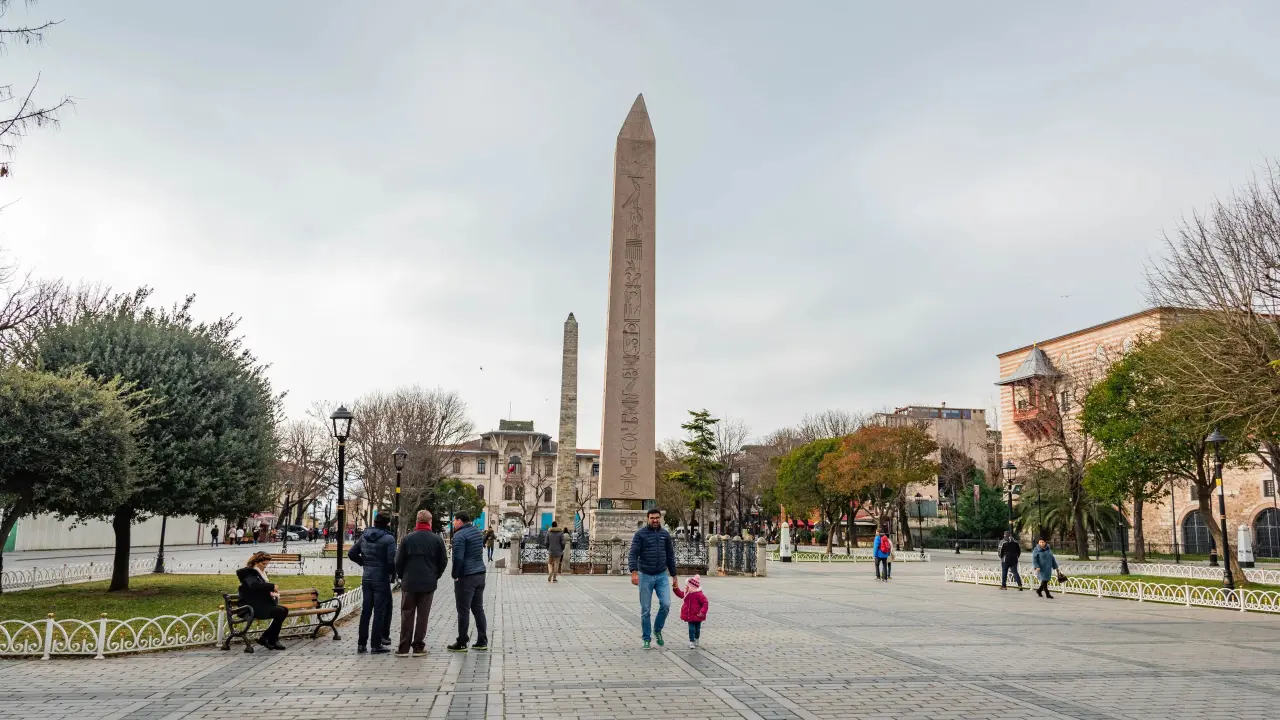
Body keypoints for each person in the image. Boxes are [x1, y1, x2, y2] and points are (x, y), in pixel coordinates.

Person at [394, 510, 447, 657]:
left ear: (417, 521)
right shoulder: (436, 540)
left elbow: (398, 561)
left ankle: (404, 647)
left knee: (407, 614)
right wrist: (436, 575)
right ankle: (418, 646)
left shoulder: (407, 539)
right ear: (430, 522)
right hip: (428, 582)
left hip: (409, 582)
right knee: (423, 615)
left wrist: (402, 576)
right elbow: (443, 561)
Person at [629, 508, 677, 649]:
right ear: (647, 519)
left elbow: (670, 556)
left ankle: (657, 629)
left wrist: (674, 575)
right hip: (645, 575)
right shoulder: (640, 535)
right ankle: (646, 638)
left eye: (657, 518)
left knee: (666, 604)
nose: (655, 520)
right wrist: (634, 572)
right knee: (646, 609)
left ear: (660, 518)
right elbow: (633, 554)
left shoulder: (665, 534)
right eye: (652, 518)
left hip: (662, 575)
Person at [349, 512, 396, 653]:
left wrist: (364, 563)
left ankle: (361, 644)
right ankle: (376, 644)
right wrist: (391, 575)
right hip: (381, 578)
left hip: (367, 577)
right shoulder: (389, 539)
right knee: (379, 612)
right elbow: (390, 561)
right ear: (387, 523)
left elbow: (352, 553)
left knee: (366, 611)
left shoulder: (364, 536)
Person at [448, 512, 489, 652]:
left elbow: (458, 558)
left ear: (459, 521)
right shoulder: (477, 532)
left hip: (466, 576)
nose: (453, 523)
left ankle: (462, 642)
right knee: (478, 609)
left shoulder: (459, 536)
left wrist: (455, 574)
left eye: (454, 520)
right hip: (480, 574)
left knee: (463, 610)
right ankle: (482, 640)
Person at [236, 551, 289, 650]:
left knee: (284, 610)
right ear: (256, 562)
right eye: (263, 564)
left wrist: (271, 592)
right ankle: (270, 639)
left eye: (266, 564)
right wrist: (272, 586)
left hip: (261, 604)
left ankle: (269, 638)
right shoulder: (248, 572)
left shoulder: (260, 573)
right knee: (280, 611)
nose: (265, 566)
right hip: (250, 607)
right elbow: (254, 586)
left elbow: (261, 589)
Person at [673, 574, 709, 650]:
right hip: (690, 615)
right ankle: (691, 641)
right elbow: (680, 594)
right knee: (691, 629)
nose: (685, 587)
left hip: (698, 615)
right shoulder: (687, 593)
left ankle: (696, 638)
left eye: (687, 586)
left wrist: (702, 612)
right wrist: (676, 589)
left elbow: (705, 603)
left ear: (692, 587)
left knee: (697, 629)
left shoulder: (699, 594)